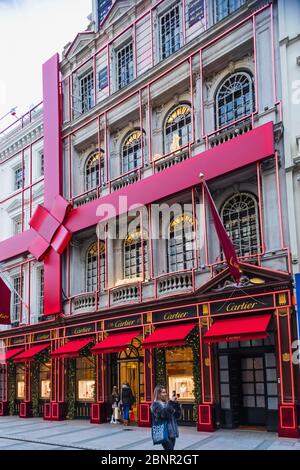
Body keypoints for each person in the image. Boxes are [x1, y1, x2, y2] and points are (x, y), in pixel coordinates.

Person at [151, 385, 181, 450]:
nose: (165, 394)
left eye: (165, 392)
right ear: (158, 394)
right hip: (164, 432)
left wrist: (176, 404)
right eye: (163, 392)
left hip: (172, 432)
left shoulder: (167, 403)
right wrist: (170, 403)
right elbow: (163, 415)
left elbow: (177, 415)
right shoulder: (155, 405)